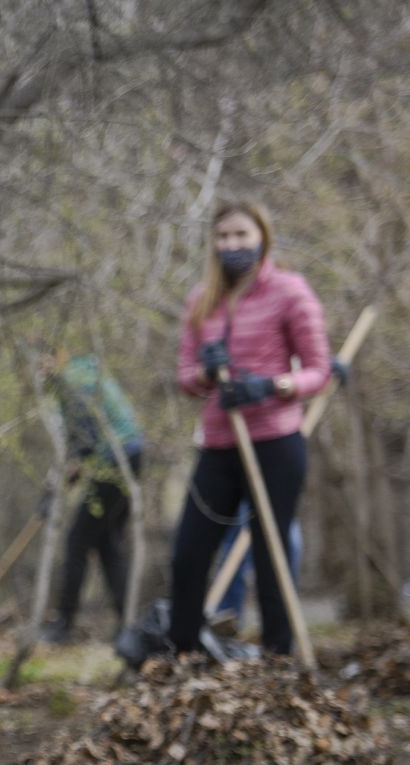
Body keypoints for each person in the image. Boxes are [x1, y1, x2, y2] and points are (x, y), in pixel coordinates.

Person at [168, 199, 330, 657]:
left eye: (241, 235)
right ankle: (182, 657)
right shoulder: (202, 300)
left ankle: (279, 657)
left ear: (262, 238)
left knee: (270, 554)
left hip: (275, 442)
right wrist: (204, 372)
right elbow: (184, 377)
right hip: (219, 444)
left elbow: (318, 371)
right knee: (188, 555)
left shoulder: (290, 292)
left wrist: (271, 386)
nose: (231, 245)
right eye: (222, 237)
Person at [38, 349, 144, 644]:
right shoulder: (83, 369)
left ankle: (63, 625)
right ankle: (127, 623)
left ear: (53, 356)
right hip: (132, 455)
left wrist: (63, 478)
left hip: (115, 459)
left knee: (77, 540)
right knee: (106, 540)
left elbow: (83, 438)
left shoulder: (71, 379)